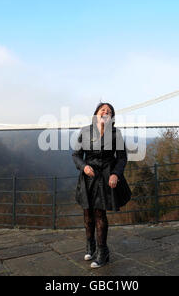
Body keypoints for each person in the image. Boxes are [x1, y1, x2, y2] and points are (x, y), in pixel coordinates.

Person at [72, 102, 132, 269]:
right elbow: (76, 155)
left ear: (112, 117)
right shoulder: (84, 131)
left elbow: (121, 158)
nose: (106, 112)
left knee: (99, 214)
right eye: (102, 109)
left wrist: (115, 174)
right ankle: (90, 247)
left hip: (106, 177)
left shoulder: (116, 134)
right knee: (87, 214)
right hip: (88, 177)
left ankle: (103, 252)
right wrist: (84, 166)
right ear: (96, 113)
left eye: (109, 111)